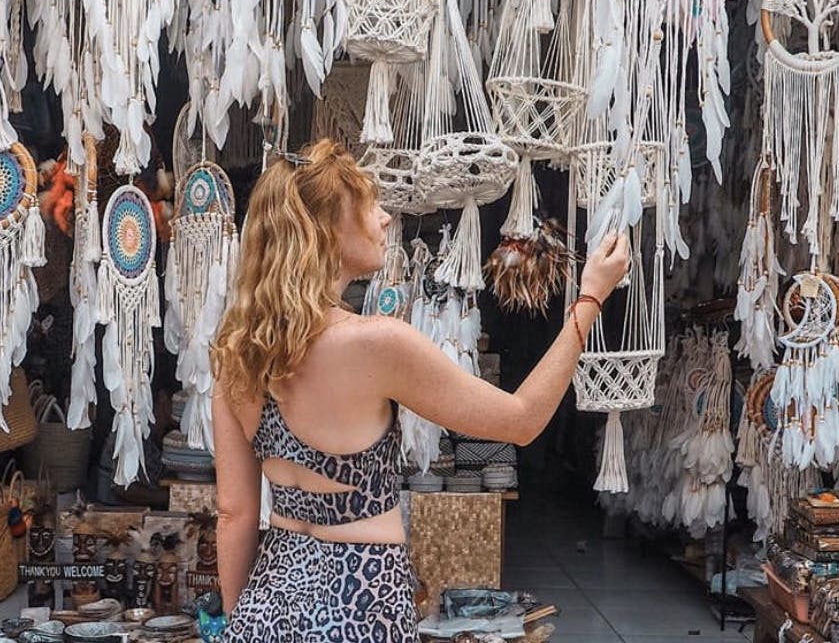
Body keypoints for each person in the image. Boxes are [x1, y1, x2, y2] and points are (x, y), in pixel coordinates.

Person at [211, 140, 631, 643]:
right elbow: (522, 419)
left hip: (267, 603)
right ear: (325, 231)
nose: (385, 217)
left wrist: (242, 623)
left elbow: (233, 514)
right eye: (368, 204)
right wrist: (589, 299)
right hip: (360, 605)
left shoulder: (237, 353)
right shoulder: (376, 343)